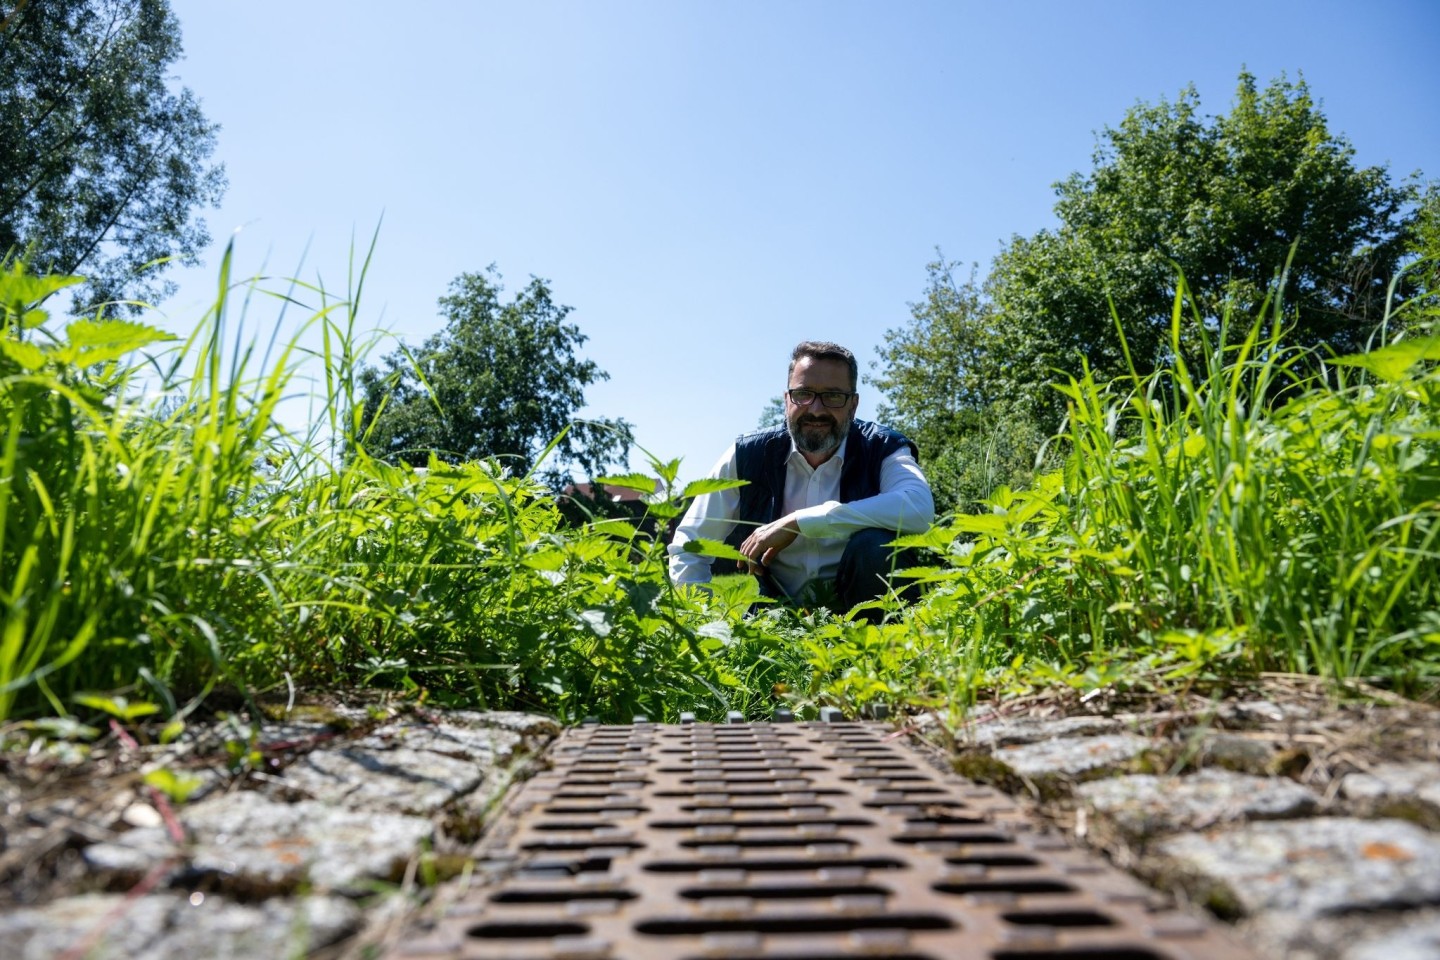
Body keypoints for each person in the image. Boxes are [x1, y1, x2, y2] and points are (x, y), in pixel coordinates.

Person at [668, 340, 934, 614]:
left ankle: (886, 650)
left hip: (864, 615)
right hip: (777, 613)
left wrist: (799, 522)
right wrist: (699, 622)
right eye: (803, 394)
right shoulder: (747, 455)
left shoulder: (882, 447)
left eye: (833, 396)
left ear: (853, 405)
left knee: (875, 545)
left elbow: (919, 508)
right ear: (786, 400)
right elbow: (690, 544)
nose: (816, 409)